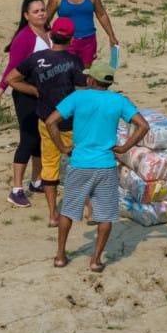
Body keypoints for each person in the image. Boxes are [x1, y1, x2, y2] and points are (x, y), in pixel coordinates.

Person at [45, 61, 149, 272]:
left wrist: (63, 147)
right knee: (105, 215)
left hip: (80, 163)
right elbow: (143, 125)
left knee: (68, 212)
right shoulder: (119, 100)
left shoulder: (78, 97)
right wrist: (125, 147)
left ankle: (60, 255)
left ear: (91, 80)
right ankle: (95, 260)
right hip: (105, 165)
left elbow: (50, 122)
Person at [5, 17, 86, 226]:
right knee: (79, 163)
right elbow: (82, 88)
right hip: (69, 120)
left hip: (45, 119)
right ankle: (89, 209)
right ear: (71, 39)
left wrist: (34, 90)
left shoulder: (36, 59)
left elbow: (11, 79)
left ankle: (52, 214)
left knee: (50, 165)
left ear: (51, 35)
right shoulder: (74, 61)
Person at [0, 0, 51, 208]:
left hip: (43, 93)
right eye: (36, 11)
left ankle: (36, 180)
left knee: (41, 137)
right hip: (25, 93)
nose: (41, 13)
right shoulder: (24, 38)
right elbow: (12, 68)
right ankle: (16, 189)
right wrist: (0, 89)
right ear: (26, 15)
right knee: (28, 138)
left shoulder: (48, 32)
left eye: (42, 9)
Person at [46, 0, 119, 68]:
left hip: (88, 41)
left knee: (85, 74)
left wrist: (111, 35)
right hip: (66, 42)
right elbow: (46, 20)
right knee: (67, 71)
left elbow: (101, 14)